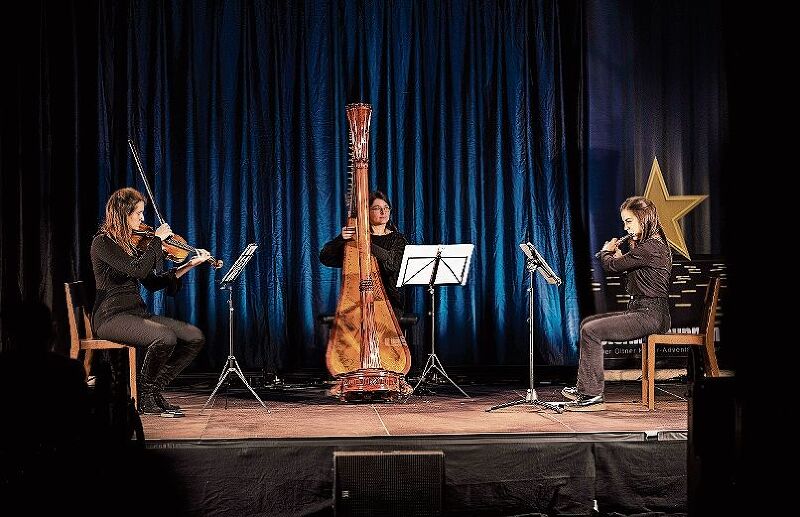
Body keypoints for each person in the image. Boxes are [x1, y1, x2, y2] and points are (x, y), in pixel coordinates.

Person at [90, 187, 210, 416]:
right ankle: (144, 395)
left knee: (193, 337)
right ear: (122, 214)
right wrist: (156, 241)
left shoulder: (133, 245)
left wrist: (189, 265)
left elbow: (152, 283)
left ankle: (153, 389)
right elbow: (137, 270)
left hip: (136, 313)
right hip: (110, 317)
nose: (143, 219)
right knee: (165, 337)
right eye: (138, 214)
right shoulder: (102, 243)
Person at [562, 196, 672, 411]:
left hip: (650, 315)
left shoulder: (651, 247)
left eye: (629, 221)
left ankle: (591, 395)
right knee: (589, 323)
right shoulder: (648, 246)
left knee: (592, 330)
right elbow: (632, 273)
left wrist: (606, 252)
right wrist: (621, 257)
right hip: (644, 311)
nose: (625, 227)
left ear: (644, 218)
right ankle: (586, 387)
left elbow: (611, 267)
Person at [319, 190, 408, 318]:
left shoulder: (398, 240)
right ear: (367, 212)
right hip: (358, 302)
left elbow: (392, 265)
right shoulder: (355, 239)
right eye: (377, 208)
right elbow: (326, 258)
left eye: (386, 208)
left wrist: (365, 243)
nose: (383, 212)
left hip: (389, 302)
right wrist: (341, 239)